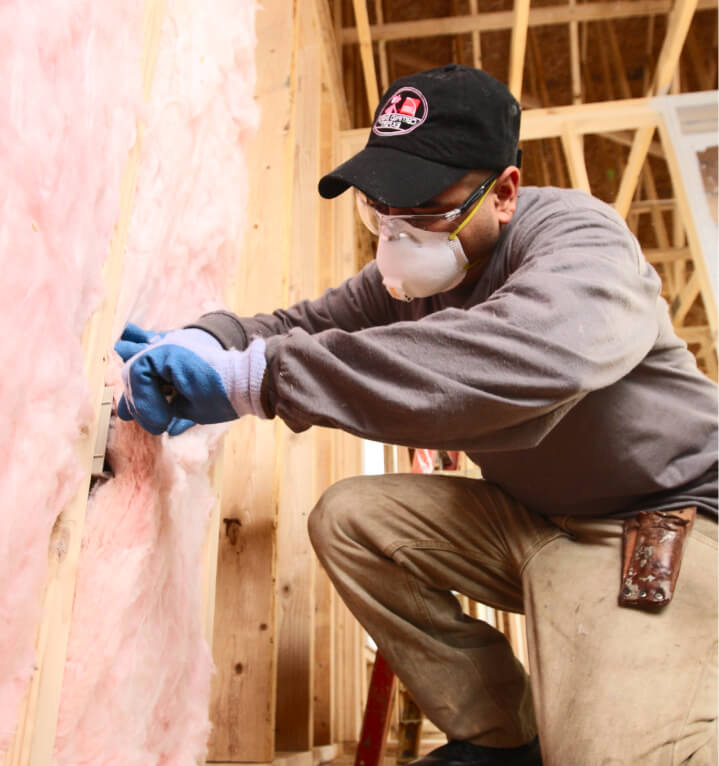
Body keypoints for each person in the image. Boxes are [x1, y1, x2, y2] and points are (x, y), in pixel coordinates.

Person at [115, 65, 718, 765]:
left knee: (614, 756)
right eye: (379, 210)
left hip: (659, 515)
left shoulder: (577, 238)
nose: (397, 235)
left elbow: (532, 354)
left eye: (424, 211)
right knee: (351, 520)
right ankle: (499, 737)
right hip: (528, 517)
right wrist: (207, 339)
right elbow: (300, 323)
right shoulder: (412, 276)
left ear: (504, 193)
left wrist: (259, 379)